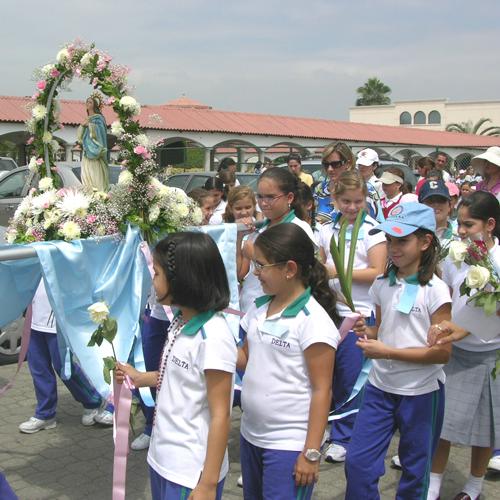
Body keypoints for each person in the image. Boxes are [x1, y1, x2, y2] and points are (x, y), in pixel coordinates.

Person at [116, 232, 237, 500]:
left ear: (183, 279)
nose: (153, 280)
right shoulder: (181, 320)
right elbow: (180, 376)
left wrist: (207, 484)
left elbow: (221, 415)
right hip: (163, 458)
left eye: (157, 274)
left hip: (190, 472)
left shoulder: (213, 337)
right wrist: (140, 378)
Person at [344, 202, 452, 499]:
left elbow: (443, 354)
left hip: (421, 392)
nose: (393, 248)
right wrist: (366, 331)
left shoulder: (436, 290)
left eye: (402, 241)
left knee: (415, 471)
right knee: (358, 464)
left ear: (425, 242)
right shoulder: (382, 284)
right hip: (380, 388)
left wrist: (387, 351)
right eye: (389, 240)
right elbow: (382, 329)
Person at [237, 223, 341, 500]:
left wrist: (311, 452)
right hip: (251, 435)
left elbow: (322, 390)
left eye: (261, 265)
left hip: (288, 445)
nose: (255, 272)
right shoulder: (260, 306)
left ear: (290, 269)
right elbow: (246, 358)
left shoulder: (313, 321)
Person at [427, 191, 500, 500]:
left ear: (490, 224)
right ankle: (432, 484)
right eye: (459, 223)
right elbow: (445, 292)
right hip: (455, 353)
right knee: (443, 422)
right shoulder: (455, 254)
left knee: (486, 427)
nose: (461, 231)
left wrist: (466, 328)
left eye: (468, 225)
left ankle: (474, 485)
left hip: (489, 354)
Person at [318, 171, 387, 463]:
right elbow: (321, 264)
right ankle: (326, 426)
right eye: (346, 201)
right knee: (327, 374)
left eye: (358, 201)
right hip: (330, 312)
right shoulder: (326, 229)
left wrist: (338, 271)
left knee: (350, 377)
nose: (352, 207)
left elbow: (377, 271)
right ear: (335, 199)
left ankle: (345, 436)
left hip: (359, 313)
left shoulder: (373, 231)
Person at [19, 281, 113, 434]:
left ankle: (92, 401)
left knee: (64, 367)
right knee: (38, 368)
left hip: (57, 321)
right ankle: (45, 414)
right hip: (34, 318)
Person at [238, 167, 315, 313]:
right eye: (260, 197)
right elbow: (240, 272)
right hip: (249, 309)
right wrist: (238, 237)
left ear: (289, 198)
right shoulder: (259, 229)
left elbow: (298, 272)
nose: (263, 203)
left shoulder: (299, 228)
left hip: (277, 312)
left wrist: (254, 254)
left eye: (270, 197)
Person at [314, 142, 355, 222]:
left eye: (335, 164)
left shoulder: (363, 190)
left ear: (348, 164)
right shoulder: (320, 189)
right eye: (326, 164)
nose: (330, 169)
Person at [223, 186, 258, 281]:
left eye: (248, 207)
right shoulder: (225, 230)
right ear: (231, 208)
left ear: (254, 206)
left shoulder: (258, 231)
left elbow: (240, 274)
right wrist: (238, 236)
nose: (243, 212)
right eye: (238, 208)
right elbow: (235, 273)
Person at [76, 94, 109, 191]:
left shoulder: (99, 118)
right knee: (86, 174)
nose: (87, 103)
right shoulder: (88, 118)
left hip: (95, 151)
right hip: (87, 150)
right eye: (87, 101)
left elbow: (101, 131)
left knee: (95, 174)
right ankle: (89, 191)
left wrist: (90, 126)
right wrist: (83, 127)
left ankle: (97, 192)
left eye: (90, 102)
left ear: (95, 105)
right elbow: (82, 133)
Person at [418, 179, 457, 248]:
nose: (436, 204)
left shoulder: (459, 237)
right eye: (430, 200)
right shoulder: (412, 236)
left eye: (441, 200)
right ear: (420, 206)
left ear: (450, 206)